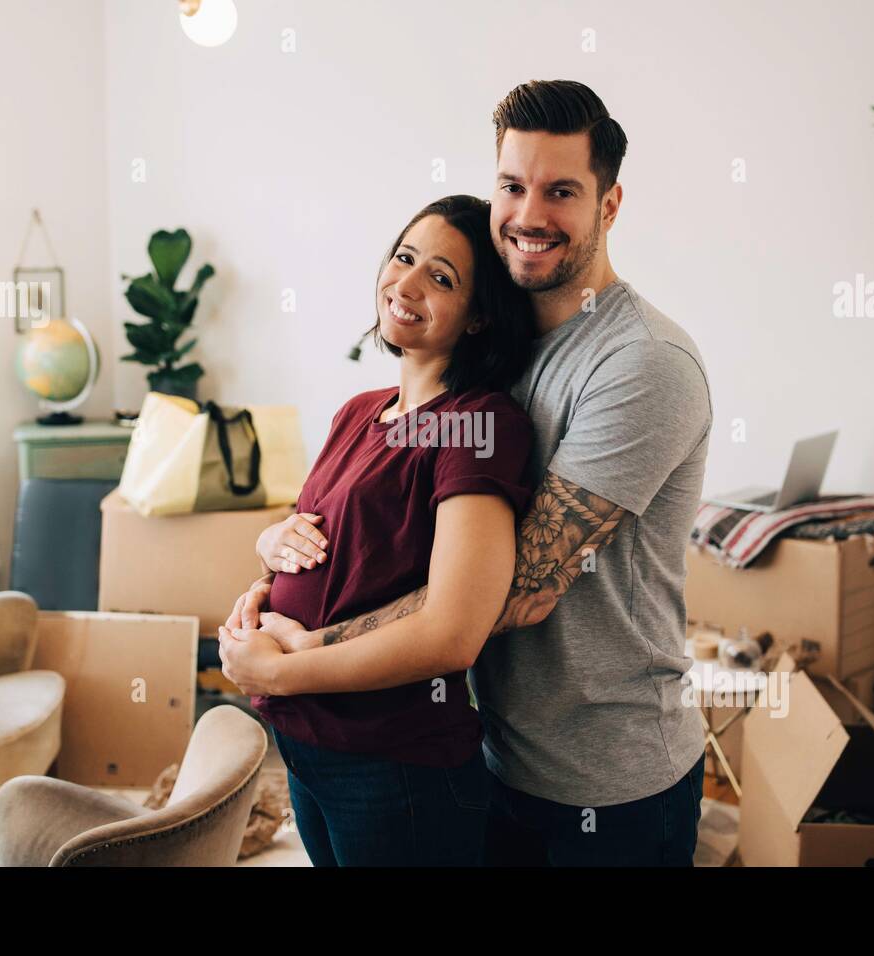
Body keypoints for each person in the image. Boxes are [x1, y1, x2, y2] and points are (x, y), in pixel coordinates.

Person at [226, 79, 713, 867]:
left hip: (608, 778)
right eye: (513, 187)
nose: (529, 215)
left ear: (610, 204)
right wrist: (272, 562)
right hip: (493, 751)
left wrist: (297, 654)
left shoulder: (642, 364)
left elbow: (507, 592)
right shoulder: (494, 366)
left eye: (562, 192)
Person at [221, 194, 536, 866]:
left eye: (442, 278)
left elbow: (452, 635)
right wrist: (263, 575)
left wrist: (281, 675)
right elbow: (327, 554)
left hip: (394, 766)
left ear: (479, 316)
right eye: (405, 257)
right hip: (307, 750)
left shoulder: (478, 426)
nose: (408, 285)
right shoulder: (359, 413)